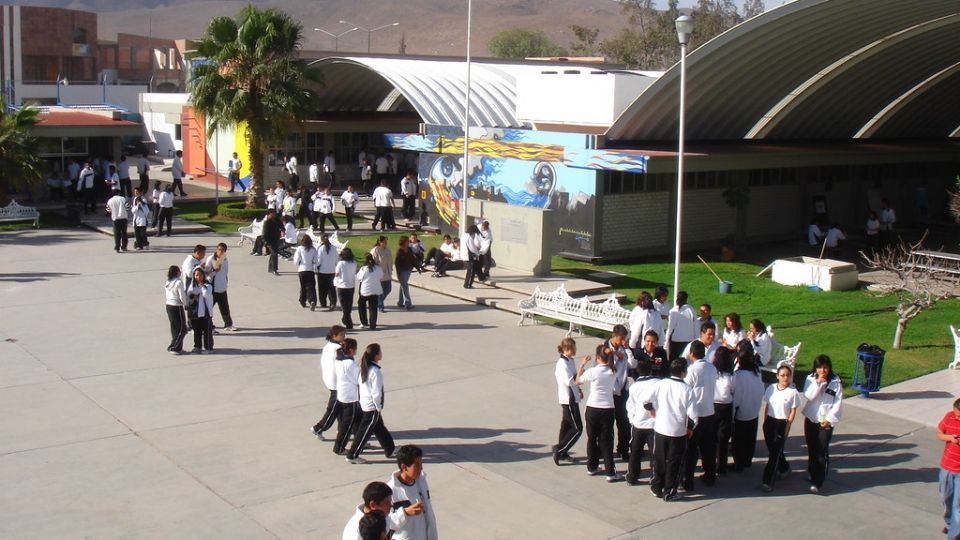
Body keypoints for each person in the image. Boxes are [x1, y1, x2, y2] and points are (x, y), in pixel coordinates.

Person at [647, 358, 697, 502]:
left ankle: (656, 487)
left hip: (661, 428)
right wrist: (690, 428)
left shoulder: (661, 384)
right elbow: (693, 414)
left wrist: (652, 410)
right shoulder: (687, 389)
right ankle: (669, 491)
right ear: (683, 372)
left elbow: (646, 400)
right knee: (674, 462)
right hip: (678, 431)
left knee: (659, 459)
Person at [576, 344, 622, 482]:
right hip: (607, 408)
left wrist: (582, 365)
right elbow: (621, 359)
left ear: (597, 357)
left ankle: (592, 466)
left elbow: (577, 381)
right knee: (607, 441)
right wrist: (613, 353)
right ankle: (610, 472)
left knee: (592, 438)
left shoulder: (592, 371)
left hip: (592, 408)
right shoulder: (613, 370)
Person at [346, 343, 396, 463]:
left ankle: (390, 449)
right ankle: (352, 455)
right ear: (376, 355)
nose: (381, 354)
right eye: (380, 351)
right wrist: (378, 406)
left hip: (365, 402)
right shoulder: (375, 371)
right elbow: (376, 392)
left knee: (379, 428)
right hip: (372, 406)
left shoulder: (365, 367)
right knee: (364, 432)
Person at [802, 354, 843, 494]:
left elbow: (837, 403)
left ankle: (817, 481)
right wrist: (818, 383)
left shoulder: (836, 382)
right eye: (819, 367)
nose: (822, 370)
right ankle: (811, 472)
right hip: (811, 418)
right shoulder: (810, 379)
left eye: (825, 367)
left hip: (825, 421)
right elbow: (809, 396)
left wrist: (830, 419)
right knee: (812, 448)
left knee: (821, 450)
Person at [683, 340, 718, 490]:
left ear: (691, 354)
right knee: (708, 447)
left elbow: (686, 390)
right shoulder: (712, 368)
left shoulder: (691, 370)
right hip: (709, 411)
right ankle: (710, 475)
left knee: (691, 449)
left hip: (695, 414)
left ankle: (688, 480)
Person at [761, 364, 801, 492]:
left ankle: (768, 480)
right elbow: (768, 405)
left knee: (774, 454)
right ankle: (784, 468)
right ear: (777, 376)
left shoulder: (793, 392)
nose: (785, 378)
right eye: (782, 375)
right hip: (770, 421)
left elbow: (793, 411)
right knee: (773, 448)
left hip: (782, 422)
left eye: (788, 375)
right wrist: (765, 421)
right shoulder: (771, 388)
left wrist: (788, 426)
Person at [386, 444, 439, 540]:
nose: (421, 468)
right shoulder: (390, 490)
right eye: (417, 465)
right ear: (404, 467)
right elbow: (386, 522)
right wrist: (405, 513)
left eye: (421, 464)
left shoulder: (421, 480)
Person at [341, 481, 420, 540]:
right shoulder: (354, 532)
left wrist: (404, 513)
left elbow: (391, 521)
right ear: (373, 505)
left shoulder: (379, 517)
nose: (391, 505)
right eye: (387, 503)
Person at [625, 356, 658, 485]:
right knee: (655, 453)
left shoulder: (635, 386)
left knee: (635, 452)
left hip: (638, 424)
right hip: (654, 424)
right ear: (651, 370)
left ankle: (632, 476)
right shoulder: (658, 383)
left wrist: (632, 419)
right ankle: (655, 476)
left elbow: (630, 405)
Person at [552, 337, 583, 466]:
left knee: (566, 426)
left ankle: (563, 452)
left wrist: (579, 389)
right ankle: (560, 450)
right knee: (577, 428)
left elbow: (575, 379)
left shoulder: (570, 360)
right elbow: (570, 380)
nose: (575, 350)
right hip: (568, 399)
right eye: (573, 348)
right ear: (566, 349)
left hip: (572, 397)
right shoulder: (562, 364)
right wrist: (582, 369)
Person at [732, 348, 764, 471]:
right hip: (754, 410)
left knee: (739, 440)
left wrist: (734, 409)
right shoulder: (757, 372)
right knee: (750, 437)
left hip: (742, 411)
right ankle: (747, 460)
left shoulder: (739, 375)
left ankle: (739, 464)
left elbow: (738, 395)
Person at [312, 325, 346, 440]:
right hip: (337, 383)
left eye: (344, 334)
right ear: (334, 336)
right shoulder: (337, 348)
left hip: (331, 381)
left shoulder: (328, 346)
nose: (343, 336)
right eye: (341, 334)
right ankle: (318, 428)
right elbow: (343, 365)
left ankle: (342, 430)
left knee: (342, 409)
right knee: (333, 410)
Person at [333, 338, 361, 454]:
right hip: (350, 396)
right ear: (351, 350)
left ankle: (358, 441)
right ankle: (339, 447)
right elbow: (357, 379)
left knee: (355, 421)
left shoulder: (339, 360)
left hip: (342, 393)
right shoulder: (350, 364)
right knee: (347, 424)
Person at [938, 398, 960, 539]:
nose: (957, 417)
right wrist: (950, 438)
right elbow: (939, 434)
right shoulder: (949, 416)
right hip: (946, 467)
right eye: (956, 414)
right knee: (945, 498)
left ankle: (954, 535)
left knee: (958, 505)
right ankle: (950, 524)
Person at [713, 346, 736, 476]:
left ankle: (719, 465)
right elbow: (733, 390)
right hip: (723, 406)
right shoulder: (731, 375)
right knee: (721, 438)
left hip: (718, 406)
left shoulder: (714, 373)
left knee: (720, 438)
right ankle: (720, 465)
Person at [204, 243, 234, 331]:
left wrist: (225, 283)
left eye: (223, 250)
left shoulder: (224, 259)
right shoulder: (211, 259)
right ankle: (207, 324)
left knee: (225, 307)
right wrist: (214, 270)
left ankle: (228, 324)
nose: (221, 252)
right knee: (208, 308)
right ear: (216, 249)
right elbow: (206, 273)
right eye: (219, 250)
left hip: (222, 287)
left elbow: (225, 272)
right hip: (213, 288)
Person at [186, 266, 215, 354]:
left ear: (203, 276)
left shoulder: (208, 286)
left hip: (205, 314)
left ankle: (208, 347)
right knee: (197, 332)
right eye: (196, 275)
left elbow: (207, 295)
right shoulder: (192, 286)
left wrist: (202, 287)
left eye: (200, 275)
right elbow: (189, 296)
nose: (198, 277)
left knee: (207, 332)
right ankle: (197, 346)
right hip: (195, 314)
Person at [164, 265, 188, 355]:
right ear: (176, 272)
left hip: (169, 306)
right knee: (182, 328)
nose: (181, 273)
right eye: (179, 271)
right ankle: (173, 347)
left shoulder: (168, 282)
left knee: (174, 328)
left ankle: (178, 347)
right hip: (177, 306)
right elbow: (182, 296)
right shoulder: (178, 282)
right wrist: (186, 305)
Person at [357, 253, 385, 330]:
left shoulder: (363, 269)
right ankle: (373, 324)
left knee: (361, 304)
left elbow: (359, 278)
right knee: (373, 307)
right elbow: (381, 276)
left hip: (365, 290)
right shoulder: (378, 268)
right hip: (375, 289)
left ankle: (364, 321)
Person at [666, 291, 696, 360]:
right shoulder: (692, 310)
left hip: (676, 342)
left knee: (674, 361)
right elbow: (696, 327)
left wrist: (666, 342)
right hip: (689, 340)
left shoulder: (673, 311)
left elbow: (670, 328)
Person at [294, 235, 319, 310]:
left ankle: (302, 301)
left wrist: (299, 263)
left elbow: (296, 261)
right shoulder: (313, 250)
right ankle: (312, 300)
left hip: (302, 270)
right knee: (311, 287)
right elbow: (315, 261)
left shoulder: (299, 249)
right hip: (310, 270)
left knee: (303, 287)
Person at [335, 248, 357, 329]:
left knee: (344, 306)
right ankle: (345, 319)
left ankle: (349, 323)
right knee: (349, 305)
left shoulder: (341, 263)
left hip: (342, 286)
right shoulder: (354, 263)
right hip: (351, 286)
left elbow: (337, 274)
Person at [316, 233, 339, 311]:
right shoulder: (334, 248)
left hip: (322, 271)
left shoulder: (321, 248)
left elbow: (319, 261)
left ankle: (323, 302)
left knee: (322, 289)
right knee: (331, 288)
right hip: (332, 270)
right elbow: (336, 260)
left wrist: (315, 265)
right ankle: (333, 302)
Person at [370, 236, 393, 313]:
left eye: (386, 241)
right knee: (381, 291)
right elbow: (373, 263)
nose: (386, 243)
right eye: (384, 242)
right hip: (380, 275)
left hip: (388, 274)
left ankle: (378, 301)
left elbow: (390, 260)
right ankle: (380, 305)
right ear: (380, 242)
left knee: (388, 289)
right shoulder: (375, 251)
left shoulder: (387, 250)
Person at [395, 236, 417, 310]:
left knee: (403, 286)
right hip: (402, 271)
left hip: (408, 270)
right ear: (403, 242)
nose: (408, 242)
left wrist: (417, 267)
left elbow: (412, 259)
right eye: (407, 241)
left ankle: (400, 302)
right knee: (405, 286)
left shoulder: (409, 249)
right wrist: (398, 273)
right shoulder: (399, 251)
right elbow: (397, 263)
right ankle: (408, 303)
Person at [105, 188, 129, 253]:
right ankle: (124, 246)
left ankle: (117, 247)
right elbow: (128, 207)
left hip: (115, 219)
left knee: (117, 234)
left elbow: (108, 210)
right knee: (124, 233)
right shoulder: (123, 199)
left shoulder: (110, 200)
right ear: (119, 193)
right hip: (123, 218)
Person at [262, 208, 282, 276]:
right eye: (272, 214)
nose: (273, 215)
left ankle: (270, 268)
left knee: (273, 254)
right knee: (274, 254)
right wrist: (266, 243)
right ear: (268, 215)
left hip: (276, 240)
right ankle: (274, 269)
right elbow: (264, 234)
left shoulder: (276, 220)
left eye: (274, 213)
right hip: (269, 241)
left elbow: (281, 225)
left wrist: (283, 230)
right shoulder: (267, 223)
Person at [463, 224, 482, 289]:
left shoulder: (464, 236)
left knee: (469, 270)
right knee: (471, 271)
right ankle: (468, 285)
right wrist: (477, 254)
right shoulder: (469, 237)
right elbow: (472, 248)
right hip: (469, 255)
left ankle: (467, 283)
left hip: (464, 255)